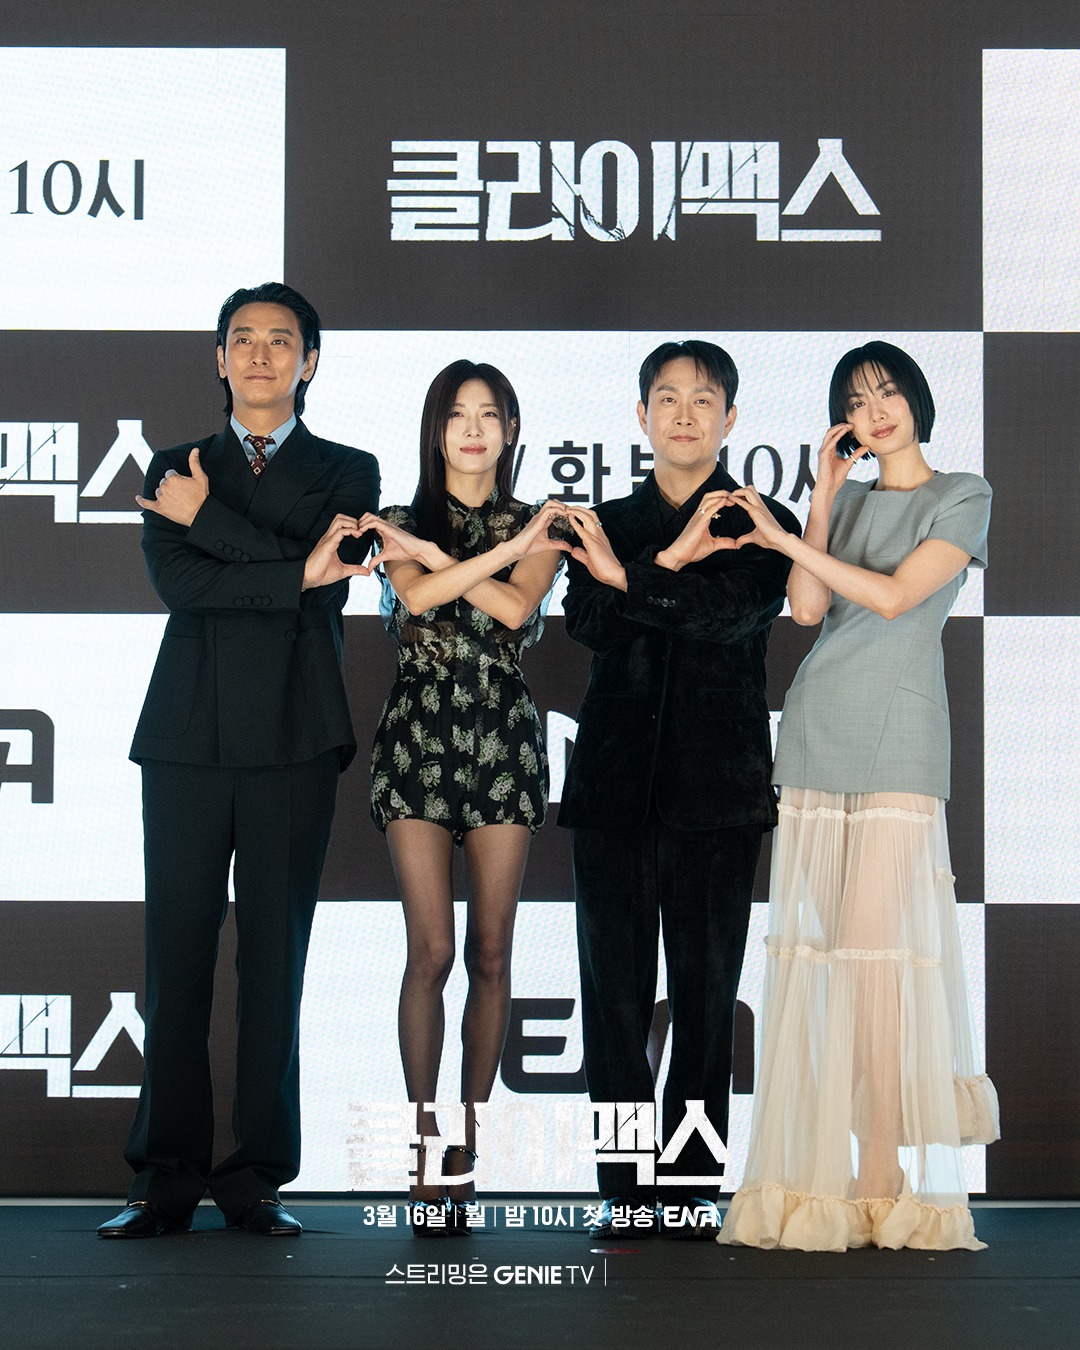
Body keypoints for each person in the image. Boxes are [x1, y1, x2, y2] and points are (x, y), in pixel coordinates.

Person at [98, 283, 379, 1239]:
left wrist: (214, 523)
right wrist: (288, 565)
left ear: (310, 361)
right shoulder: (172, 464)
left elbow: (327, 583)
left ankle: (256, 1176)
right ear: (219, 359)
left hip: (294, 734)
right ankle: (164, 1175)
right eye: (243, 339)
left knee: (274, 960)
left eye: (281, 340)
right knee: (174, 957)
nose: (261, 354)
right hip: (186, 735)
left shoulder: (349, 468)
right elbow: (181, 584)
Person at [716, 340, 999, 1252]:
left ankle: (883, 1168)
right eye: (855, 401)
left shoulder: (963, 493)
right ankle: (842, 1172)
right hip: (816, 729)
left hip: (901, 739)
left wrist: (784, 539)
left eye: (886, 393)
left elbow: (895, 597)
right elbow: (806, 610)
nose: (874, 412)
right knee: (833, 960)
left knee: (878, 957)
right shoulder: (844, 501)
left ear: (915, 399)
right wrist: (823, 495)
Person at [556, 340, 800, 1240]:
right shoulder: (602, 523)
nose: (685, 415)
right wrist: (655, 568)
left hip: (718, 790)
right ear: (641, 415)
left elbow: (724, 617)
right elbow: (589, 622)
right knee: (614, 1000)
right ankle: (623, 1188)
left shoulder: (762, 521)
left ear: (731, 418)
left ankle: (689, 1187)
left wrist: (635, 582)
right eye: (667, 398)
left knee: (704, 1000)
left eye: (703, 400)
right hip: (613, 787)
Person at [356, 359, 566, 1235]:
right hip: (417, 736)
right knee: (431, 951)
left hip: (502, 739)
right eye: (457, 414)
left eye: (489, 414)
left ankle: (466, 1155)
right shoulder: (398, 520)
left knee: (490, 953)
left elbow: (515, 613)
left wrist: (476, 558)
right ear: (435, 429)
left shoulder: (543, 523)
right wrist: (469, 560)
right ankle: (420, 1147)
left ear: (511, 429)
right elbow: (416, 596)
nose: (473, 429)